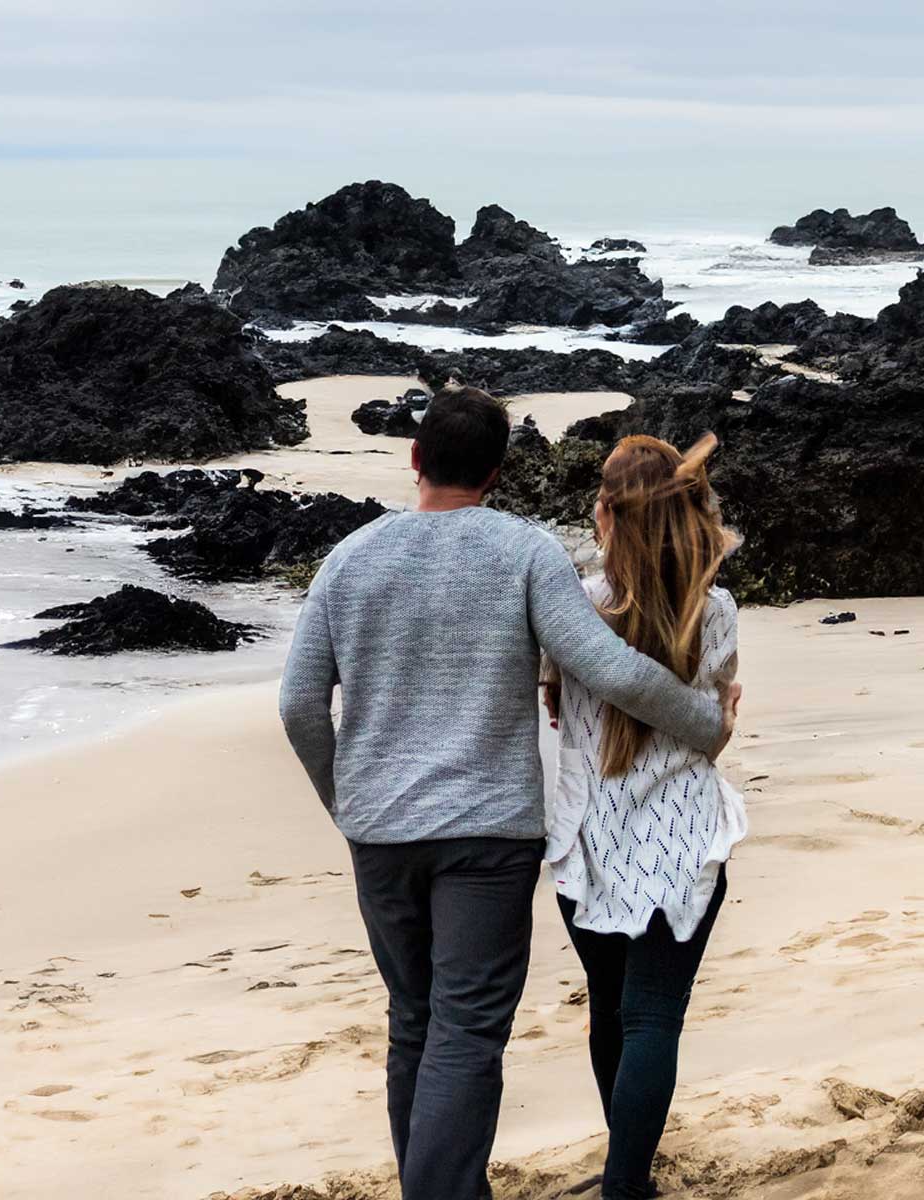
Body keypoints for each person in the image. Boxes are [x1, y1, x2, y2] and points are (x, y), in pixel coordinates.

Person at [277, 387, 738, 1200]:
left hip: (380, 833)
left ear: (414, 458)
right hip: (488, 838)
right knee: (464, 1030)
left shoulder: (347, 560)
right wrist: (705, 724)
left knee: (412, 1023)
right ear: (497, 471)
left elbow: (297, 704)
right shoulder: (524, 553)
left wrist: (345, 802)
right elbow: (614, 669)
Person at [542, 433, 748, 1200]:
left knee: (610, 1010)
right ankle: (627, 1180)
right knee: (653, 1015)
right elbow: (719, 712)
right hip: (685, 841)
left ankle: (625, 1173)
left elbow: (557, 703)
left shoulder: (574, 608)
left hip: (590, 842)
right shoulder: (717, 609)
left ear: (606, 515)